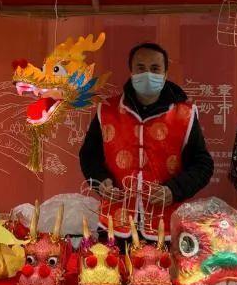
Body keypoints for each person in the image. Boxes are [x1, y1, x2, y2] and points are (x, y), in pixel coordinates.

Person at [80, 42, 214, 207]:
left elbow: (202, 165)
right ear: (132, 72)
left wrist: (175, 190)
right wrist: (101, 181)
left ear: (165, 74)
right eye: (141, 68)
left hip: (165, 219)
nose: (147, 74)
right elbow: (89, 156)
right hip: (116, 216)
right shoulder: (107, 111)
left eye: (155, 68)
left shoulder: (185, 115)